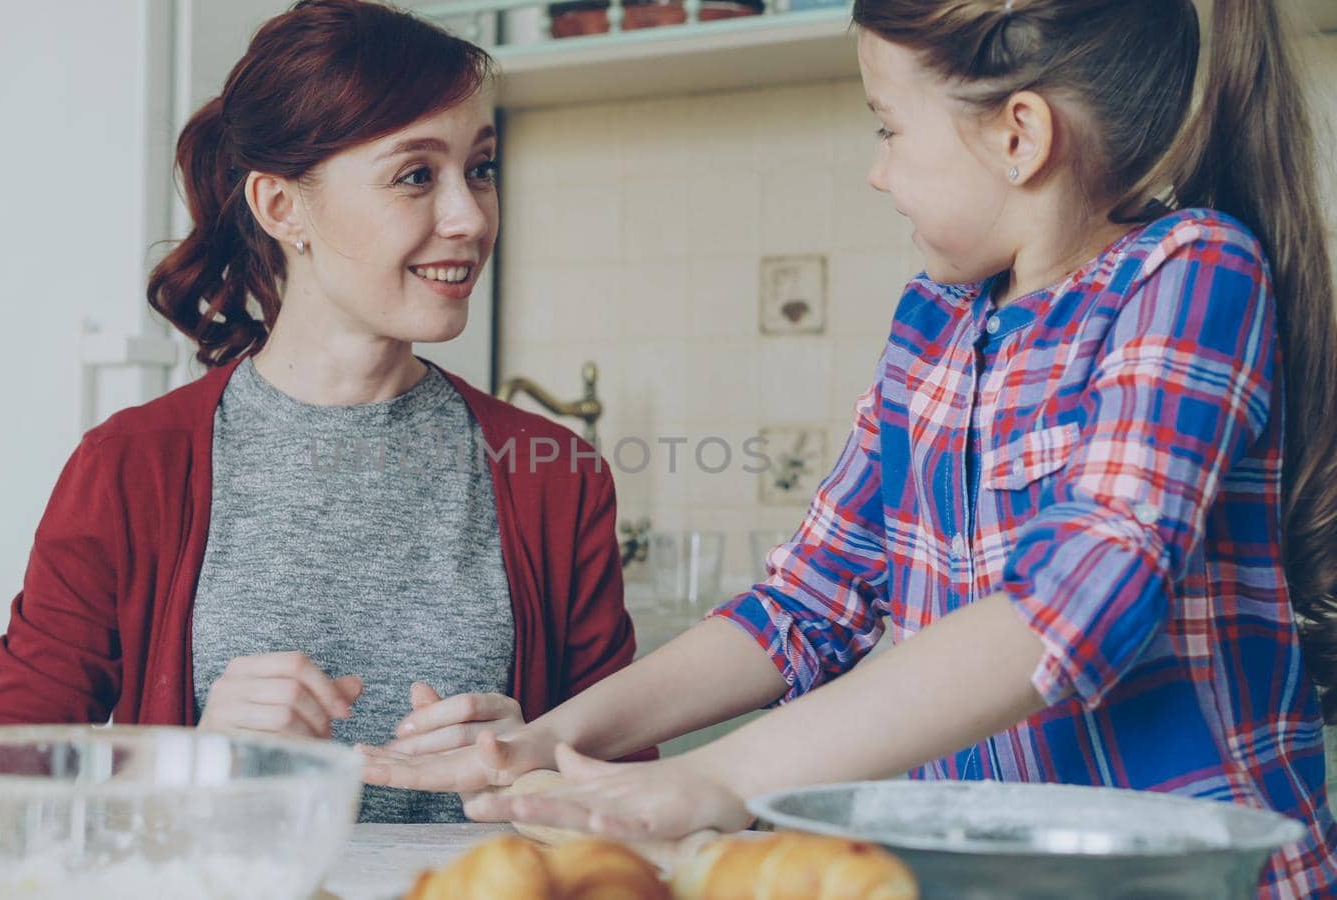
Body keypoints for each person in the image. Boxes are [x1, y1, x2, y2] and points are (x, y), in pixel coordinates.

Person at [360, 0, 1337, 891]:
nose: (876, 169)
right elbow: (810, 599)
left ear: (1018, 135)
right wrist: (554, 736)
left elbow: (1077, 602)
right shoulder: (934, 321)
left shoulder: (1191, 270)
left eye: (887, 127)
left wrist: (716, 777)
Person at [0, 0, 648, 824]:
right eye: (415, 175)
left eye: (480, 168)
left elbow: (629, 799)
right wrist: (188, 764)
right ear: (282, 207)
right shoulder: (131, 466)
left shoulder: (554, 475)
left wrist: (541, 763)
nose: (470, 218)